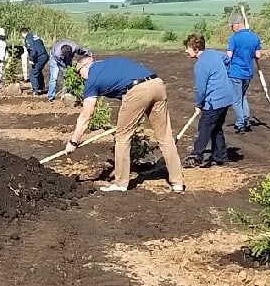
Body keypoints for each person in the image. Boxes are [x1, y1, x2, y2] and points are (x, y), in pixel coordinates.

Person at [61, 49, 185, 194]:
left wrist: (73, 141)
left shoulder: (92, 79)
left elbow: (85, 116)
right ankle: (177, 183)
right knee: (165, 136)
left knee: (122, 138)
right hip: (157, 84)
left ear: (86, 66)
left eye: (79, 73)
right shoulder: (114, 63)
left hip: (137, 90)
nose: (81, 77)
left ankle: (120, 183)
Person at [183, 33, 238, 168]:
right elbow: (226, 59)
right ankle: (221, 157)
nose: (186, 51)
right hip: (227, 97)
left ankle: (196, 156)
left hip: (216, 100)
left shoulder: (200, 65)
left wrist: (199, 104)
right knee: (216, 127)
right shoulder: (214, 53)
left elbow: (201, 90)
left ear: (195, 49)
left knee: (204, 127)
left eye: (187, 48)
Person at [226, 15, 264, 133]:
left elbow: (229, 56)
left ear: (237, 25)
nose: (232, 29)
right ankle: (246, 119)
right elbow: (258, 55)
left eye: (232, 26)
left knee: (236, 99)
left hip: (236, 72)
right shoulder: (255, 37)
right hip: (248, 73)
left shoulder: (234, 38)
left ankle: (241, 123)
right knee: (243, 96)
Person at [46, 37, 81, 102]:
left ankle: (65, 94)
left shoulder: (75, 47)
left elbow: (82, 50)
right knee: (54, 77)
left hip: (68, 56)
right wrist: (66, 71)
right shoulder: (57, 54)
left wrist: (88, 55)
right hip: (54, 58)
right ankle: (50, 97)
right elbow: (62, 64)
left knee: (68, 75)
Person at [22, 28, 47, 95]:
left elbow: (32, 50)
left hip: (39, 56)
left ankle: (35, 90)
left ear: (23, 33)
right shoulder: (34, 36)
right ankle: (41, 88)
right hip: (44, 55)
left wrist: (31, 59)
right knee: (38, 71)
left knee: (33, 73)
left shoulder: (28, 38)